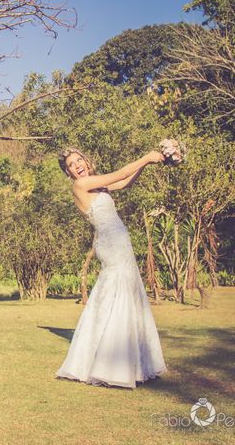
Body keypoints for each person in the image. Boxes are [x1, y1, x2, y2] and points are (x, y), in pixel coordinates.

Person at [55, 147, 167, 388]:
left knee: (127, 294)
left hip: (120, 243)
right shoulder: (81, 186)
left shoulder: (97, 186)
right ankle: (112, 364)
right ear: (69, 172)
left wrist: (146, 165)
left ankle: (133, 361)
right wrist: (147, 156)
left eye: (79, 160)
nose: (78, 165)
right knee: (117, 296)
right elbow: (119, 173)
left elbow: (125, 182)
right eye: (72, 164)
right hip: (111, 245)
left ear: (86, 160)